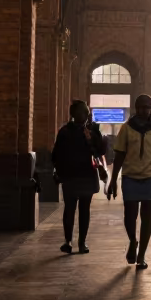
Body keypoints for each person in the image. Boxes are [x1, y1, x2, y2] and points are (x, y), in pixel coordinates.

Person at [108, 94, 151, 270]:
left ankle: (142, 255)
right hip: (130, 176)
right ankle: (133, 241)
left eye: (147, 107)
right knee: (130, 216)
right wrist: (113, 180)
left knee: (147, 216)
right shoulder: (127, 128)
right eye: (140, 107)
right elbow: (119, 155)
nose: (144, 110)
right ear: (135, 109)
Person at [51, 100, 106, 254]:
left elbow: (101, 151)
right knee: (69, 209)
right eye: (84, 112)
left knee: (84, 210)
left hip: (86, 176)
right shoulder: (65, 132)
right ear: (74, 114)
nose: (86, 115)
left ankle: (82, 242)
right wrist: (59, 171)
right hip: (70, 176)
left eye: (87, 112)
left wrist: (95, 135)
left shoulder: (91, 131)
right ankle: (68, 241)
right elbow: (56, 154)